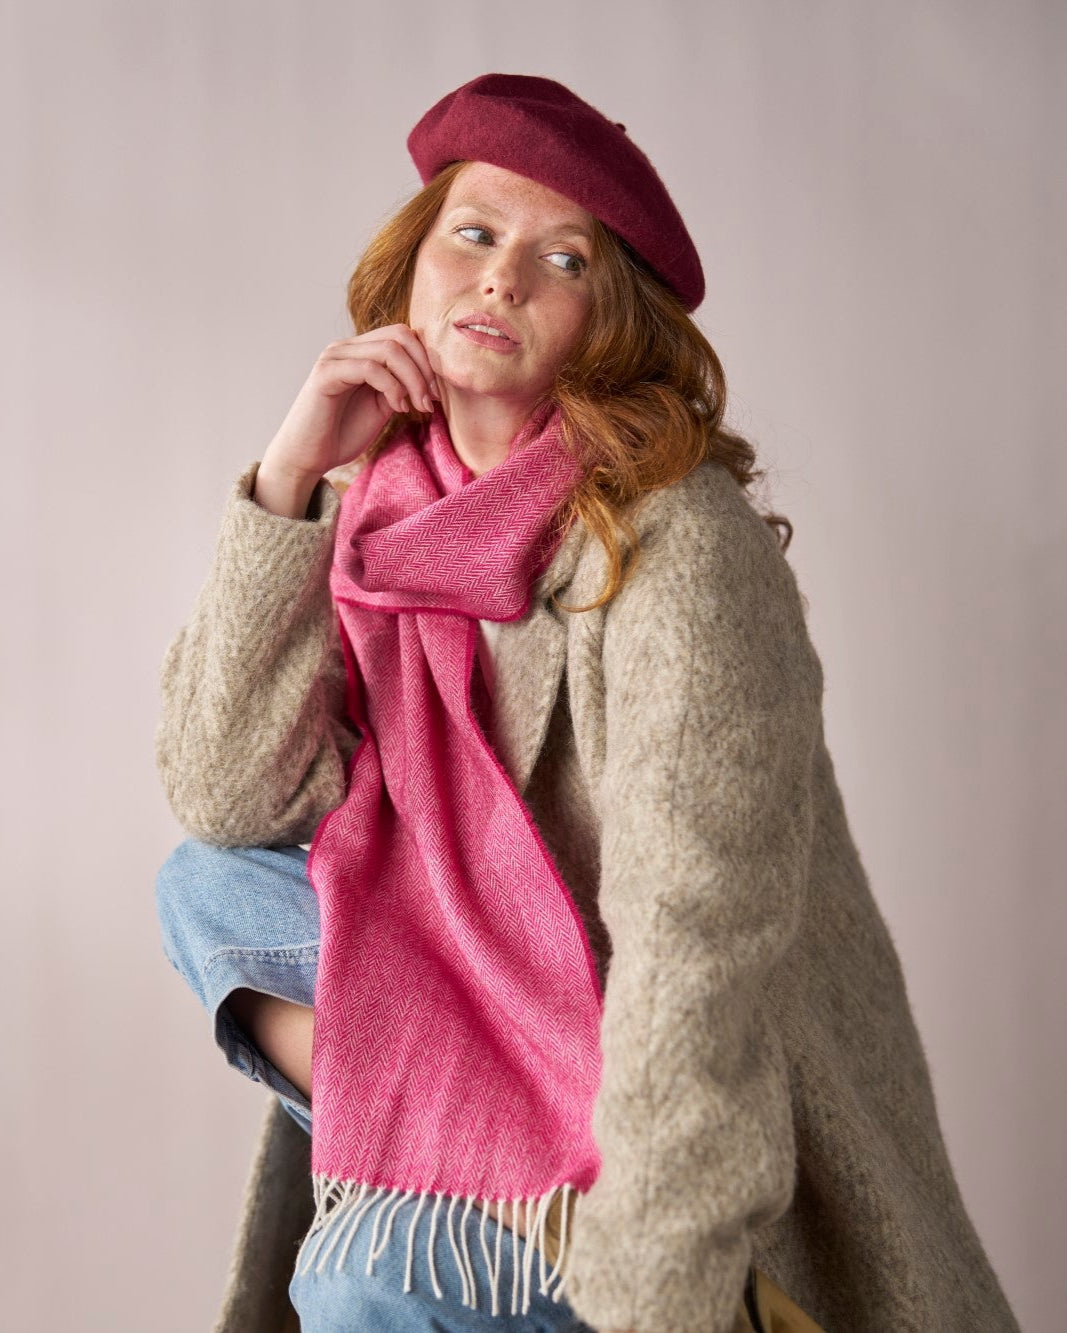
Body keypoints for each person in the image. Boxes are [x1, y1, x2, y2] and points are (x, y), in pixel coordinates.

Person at [153, 73, 1020, 1333]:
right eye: (474, 234)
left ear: (604, 321)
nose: (502, 277)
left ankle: (512, 1192)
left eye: (559, 258)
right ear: (411, 271)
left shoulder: (675, 548)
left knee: (358, 1283)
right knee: (205, 884)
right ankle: (489, 1171)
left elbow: (694, 950)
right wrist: (290, 477)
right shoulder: (384, 510)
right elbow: (230, 788)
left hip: (645, 1079)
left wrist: (650, 1298)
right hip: (490, 1006)